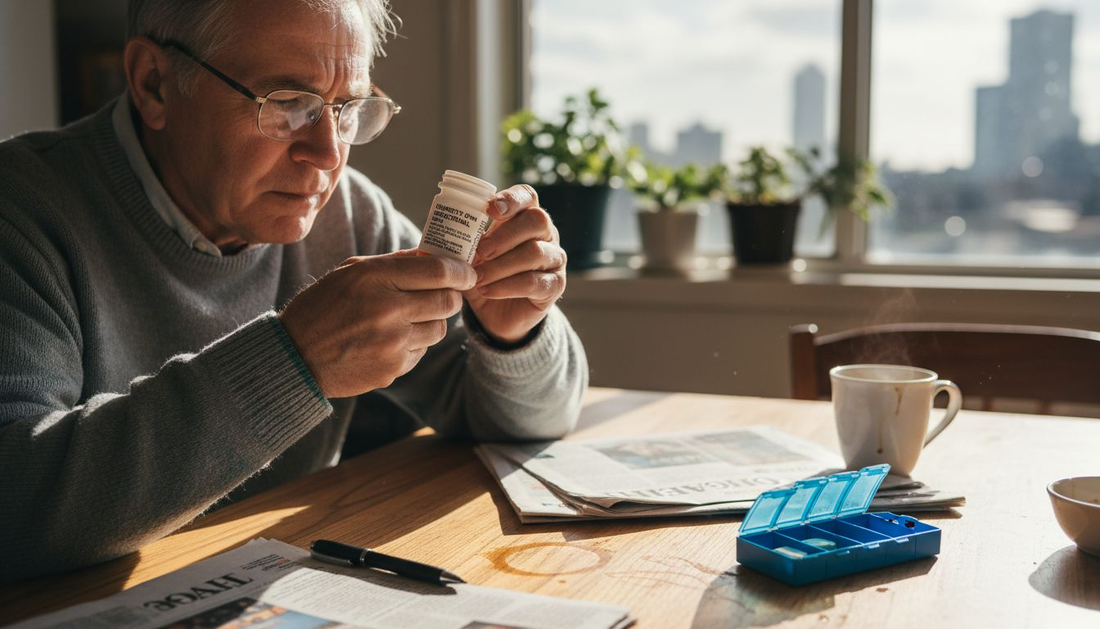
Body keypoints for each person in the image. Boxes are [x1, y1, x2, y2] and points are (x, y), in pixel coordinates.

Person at [0, 0, 587, 583]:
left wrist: (513, 331)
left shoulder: (351, 214)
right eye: (286, 104)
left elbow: (530, 422)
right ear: (154, 84)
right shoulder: (22, 214)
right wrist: (293, 362)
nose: (329, 155)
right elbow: (15, 508)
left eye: (347, 107)